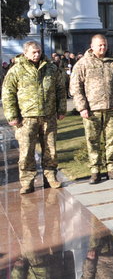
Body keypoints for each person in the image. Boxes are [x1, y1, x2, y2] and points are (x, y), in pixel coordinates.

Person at [2, 41, 67, 193]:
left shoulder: (51, 68)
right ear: (25, 53)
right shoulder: (16, 70)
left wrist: (61, 109)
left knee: (50, 149)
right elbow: (8, 94)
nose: (37, 54)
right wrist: (12, 115)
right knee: (26, 151)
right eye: (33, 52)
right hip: (26, 118)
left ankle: (50, 177)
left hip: (48, 115)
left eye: (38, 51)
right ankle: (27, 181)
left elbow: (60, 89)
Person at [70, 34, 113, 183]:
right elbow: (76, 87)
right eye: (99, 45)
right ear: (92, 46)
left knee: (112, 139)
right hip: (92, 110)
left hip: (112, 107)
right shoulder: (83, 64)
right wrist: (82, 107)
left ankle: (111, 168)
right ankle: (95, 170)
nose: (102, 48)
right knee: (93, 140)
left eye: (104, 45)